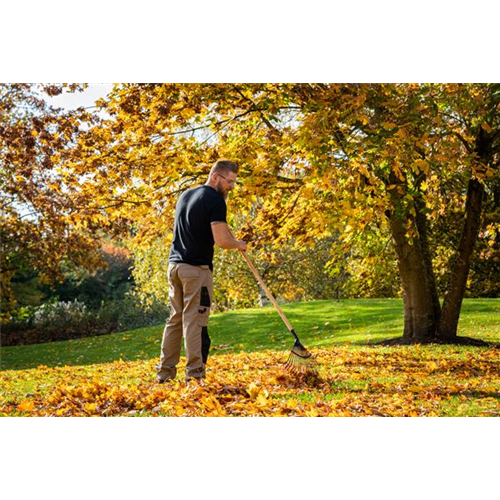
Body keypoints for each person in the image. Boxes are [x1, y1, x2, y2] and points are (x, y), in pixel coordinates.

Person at [156, 160, 247, 383]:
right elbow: (223, 241)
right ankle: (195, 376)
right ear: (215, 176)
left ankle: (164, 374)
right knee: (194, 321)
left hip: (174, 266)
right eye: (230, 181)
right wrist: (239, 244)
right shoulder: (215, 200)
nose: (232, 187)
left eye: (235, 182)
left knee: (175, 320)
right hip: (196, 270)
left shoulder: (185, 196)